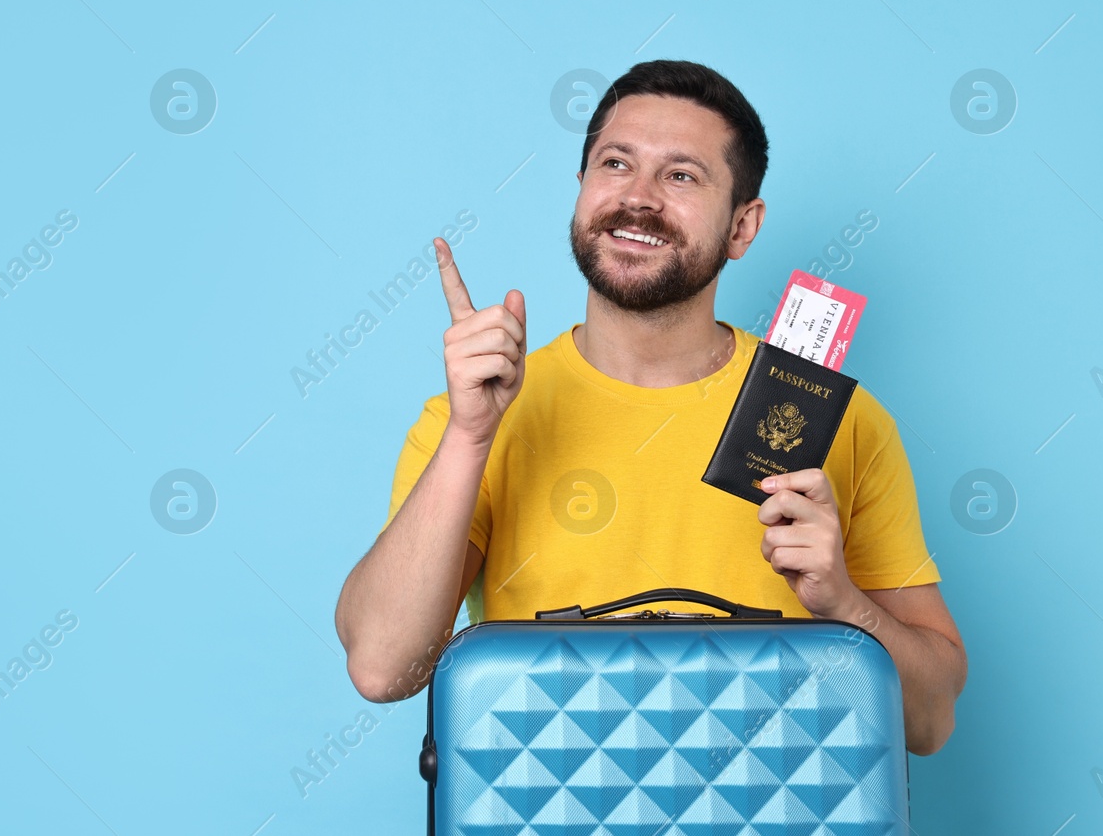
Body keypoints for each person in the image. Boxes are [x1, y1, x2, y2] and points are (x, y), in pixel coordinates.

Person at [333, 60, 966, 755]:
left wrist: (843, 603)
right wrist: (469, 435)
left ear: (742, 226)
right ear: (580, 191)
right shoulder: (474, 419)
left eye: (682, 175)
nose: (638, 198)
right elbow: (383, 667)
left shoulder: (841, 422)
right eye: (615, 164)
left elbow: (929, 722)